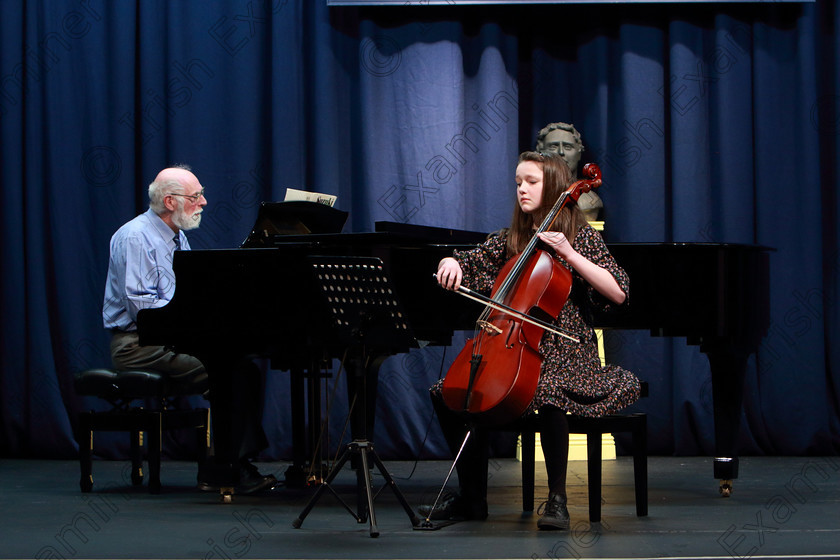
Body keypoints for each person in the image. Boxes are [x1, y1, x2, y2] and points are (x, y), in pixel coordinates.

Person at [423, 152, 640, 530]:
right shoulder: (512, 239)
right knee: (448, 391)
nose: (522, 189)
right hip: (516, 345)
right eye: (518, 182)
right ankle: (472, 497)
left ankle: (557, 500)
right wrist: (452, 263)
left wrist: (568, 252)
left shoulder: (580, 235)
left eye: (532, 182)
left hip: (568, 350)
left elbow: (619, 291)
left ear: (553, 186)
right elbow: (470, 261)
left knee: (548, 388)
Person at [102, 165, 275, 494]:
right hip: (138, 345)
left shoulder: (176, 236)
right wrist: (194, 331)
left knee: (242, 368)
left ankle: (225, 462)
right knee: (228, 370)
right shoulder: (136, 236)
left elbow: (187, 297)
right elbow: (141, 308)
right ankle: (229, 468)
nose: (204, 202)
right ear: (170, 201)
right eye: (196, 196)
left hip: (167, 338)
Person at [535, 122, 603, 221]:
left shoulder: (591, 201)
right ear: (540, 153)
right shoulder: (531, 196)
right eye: (553, 147)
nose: (561, 152)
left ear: (579, 153)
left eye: (568, 147)